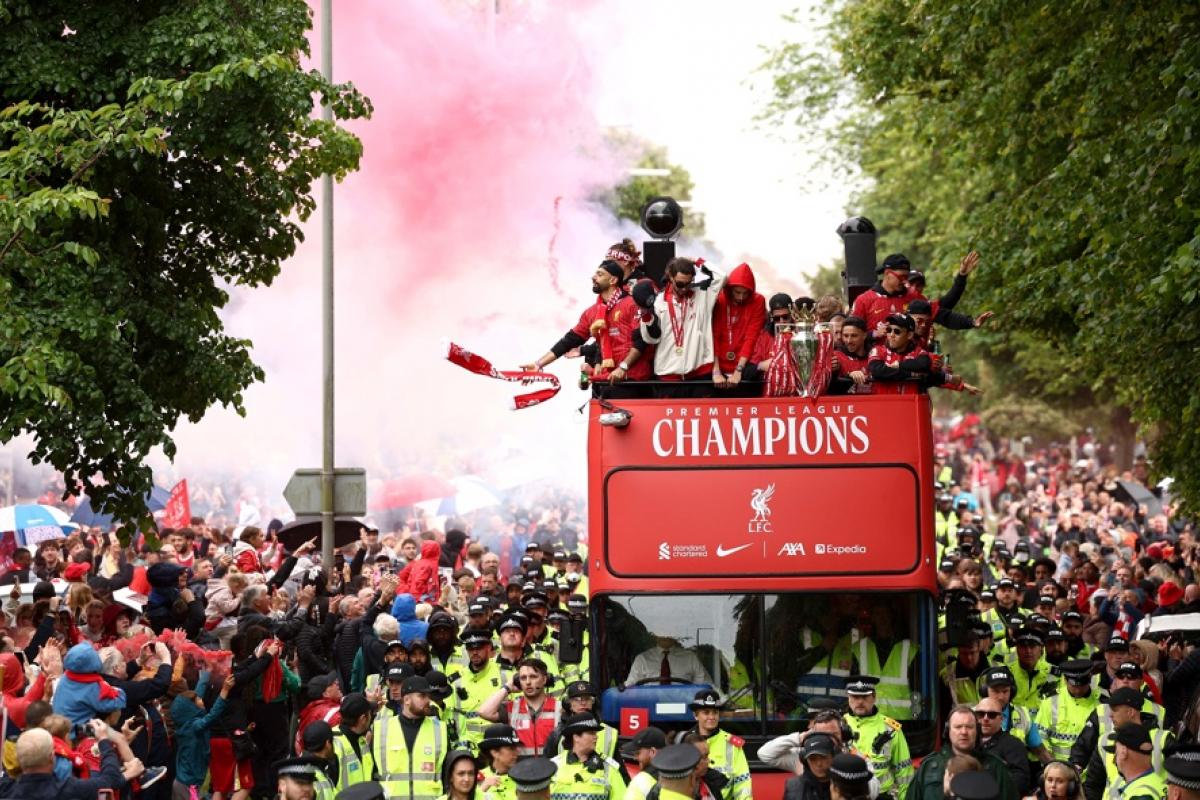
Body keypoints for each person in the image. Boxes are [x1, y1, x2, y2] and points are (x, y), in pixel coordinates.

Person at [520, 260, 651, 388]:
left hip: (633, 381)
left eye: (600, 274)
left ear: (613, 280)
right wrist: (539, 364)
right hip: (606, 381)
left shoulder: (632, 304)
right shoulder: (591, 312)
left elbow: (641, 341)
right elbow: (569, 340)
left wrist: (623, 367)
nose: (593, 277)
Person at [638, 257, 726, 391]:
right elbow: (652, 338)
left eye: (689, 284)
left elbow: (721, 276)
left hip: (699, 374)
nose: (684, 289)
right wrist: (646, 317)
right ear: (670, 278)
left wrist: (697, 261)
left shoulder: (703, 295)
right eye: (680, 284)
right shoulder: (658, 301)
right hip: (668, 375)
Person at [905, 705, 1016, 800]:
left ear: (977, 731)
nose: (963, 732)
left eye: (969, 727)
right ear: (948, 731)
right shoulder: (928, 767)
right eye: (958, 727)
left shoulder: (995, 767)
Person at [0, 722, 134, 799]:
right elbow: (111, 780)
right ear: (51, 757)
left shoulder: (5, 788)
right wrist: (104, 741)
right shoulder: (70, 788)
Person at [372, 675, 448, 800]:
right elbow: (372, 774)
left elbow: (446, 774)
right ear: (407, 700)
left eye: (428, 696)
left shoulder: (439, 729)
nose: (428, 700)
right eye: (422, 696)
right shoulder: (382, 729)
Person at [867, 313, 979, 396]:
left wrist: (899, 365)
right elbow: (878, 372)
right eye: (889, 330)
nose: (891, 335)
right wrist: (914, 373)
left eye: (897, 331)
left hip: (912, 410)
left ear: (910, 335)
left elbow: (925, 366)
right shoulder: (877, 350)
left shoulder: (919, 353)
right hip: (883, 408)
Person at [843, 675, 913, 799]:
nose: (860, 701)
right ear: (848, 698)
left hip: (882, 796)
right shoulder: (838, 725)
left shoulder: (890, 728)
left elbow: (904, 772)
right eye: (855, 696)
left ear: (874, 697)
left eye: (865, 697)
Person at [478, 657, 560, 757]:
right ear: (518, 681)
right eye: (523, 678)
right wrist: (507, 687)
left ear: (544, 679)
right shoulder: (512, 709)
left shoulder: (559, 708)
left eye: (533, 677)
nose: (528, 682)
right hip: (521, 770)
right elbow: (484, 712)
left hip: (552, 770)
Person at [445, 627, 511, 749]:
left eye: (479, 648)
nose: (474, 652)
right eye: (470, 648)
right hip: (468, 750)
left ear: (488, 648)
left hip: (499, 747)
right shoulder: (456, 680)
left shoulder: (505, 674)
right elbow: (449, 716)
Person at [711, 262, 767, 392]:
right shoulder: (720, 299)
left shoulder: (758, 301)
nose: (741, 297)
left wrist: (739, 370)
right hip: (718, 365)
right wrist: (716, 369)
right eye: (737, 292)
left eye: (745, 293)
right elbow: (714, 335)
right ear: (730, 289)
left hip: (744, 366)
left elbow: (751, 337)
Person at [687, 688, 751, 800]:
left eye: (715, 712)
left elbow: (743, 783)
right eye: (706, 712)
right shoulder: (686, 742)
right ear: (695, 715)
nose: (711, 717)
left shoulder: (732, 744)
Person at [1034, 659, 1099, 763]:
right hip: (1056, 769)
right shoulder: (1051, 702)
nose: (1078, 689)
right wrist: (1052, 765)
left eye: (1082, 684)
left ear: (1090, 678)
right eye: (1074, 685)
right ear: (1065, 680)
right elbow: (1040, 738)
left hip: (1091, 772)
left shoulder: (1101, 703)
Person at [548, 713, 625, 799]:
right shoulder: (553, 766)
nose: (596, 737)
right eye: (591, 733)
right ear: (576, 737)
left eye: (595, 733)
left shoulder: (608, 768)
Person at [975, 697, 1032, 797]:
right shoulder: (967, 743)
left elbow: (1022, 780)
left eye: (992, 715)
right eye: (980, 714)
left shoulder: (1013, 745)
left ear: (1001, 719)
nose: (985, 718)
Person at [625, 634, 713, 686]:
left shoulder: (690, 657)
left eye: (669, 631)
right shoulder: (642, 659)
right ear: (655, 635)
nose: (665, 635)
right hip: (649, 707)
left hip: (684, 706)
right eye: (661, 631)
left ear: (675, 635)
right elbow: (630, 686)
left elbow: (705, 685)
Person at [1108, 723, 1168, 800]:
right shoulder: (1159, 783)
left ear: (1123, 752)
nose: (1115, 758)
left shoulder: (1139, 794)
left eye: (1116, 750)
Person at [331, 693, 375, 791]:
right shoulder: (335, 745)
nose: (371, 718)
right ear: (363, 719)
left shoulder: (361, 739)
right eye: (370, 714)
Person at [784, 731, 836, 800]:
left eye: (823, 758)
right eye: (813, 759)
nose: (819, 764)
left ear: (834, 756)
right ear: (805, 761)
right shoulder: (793, 788)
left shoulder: (847, 787)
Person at [478, 723, 521, 800]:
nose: (517, 751)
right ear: (495, 752)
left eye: (517, 747)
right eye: (511, 748)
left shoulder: (525, 778)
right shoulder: (475, 779)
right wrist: (481, 791)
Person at [623, 726, 667, 800]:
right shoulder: (679, 779)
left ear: (652, 752)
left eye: (638, 753)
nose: (635, 758)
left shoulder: (641, 781)